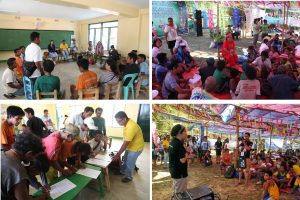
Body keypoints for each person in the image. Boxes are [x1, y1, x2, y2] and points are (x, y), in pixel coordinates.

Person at [1, 133, 48, 200]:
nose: (32, 160)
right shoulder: (18, 170)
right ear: (29, 154)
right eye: (33, 157)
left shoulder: (2, 152)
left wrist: (39, 186)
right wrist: (41, 197)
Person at [112, 111, 144, 183]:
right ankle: (122, 171)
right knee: (125, 160)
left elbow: (126, 143)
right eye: (117, 121)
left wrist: (118, 154)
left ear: (124, 119)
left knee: (130, 163)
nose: (118, 123)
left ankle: (129, 177)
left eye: (119, 121)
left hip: (136, 148)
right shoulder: (126, 123)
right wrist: (119, 153)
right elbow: (126, 140)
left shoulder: (131, 127)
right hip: (130, 146)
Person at [169, 124, 188, 195]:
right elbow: (182, 160)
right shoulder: (178, 144)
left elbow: (176, 155)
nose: (186, 133)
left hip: (174, 170)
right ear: (181, 133)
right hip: (179, 173)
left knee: (176, 191)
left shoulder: (173, 141)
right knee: (180, 193)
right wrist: (188, 156)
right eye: (185, 131)